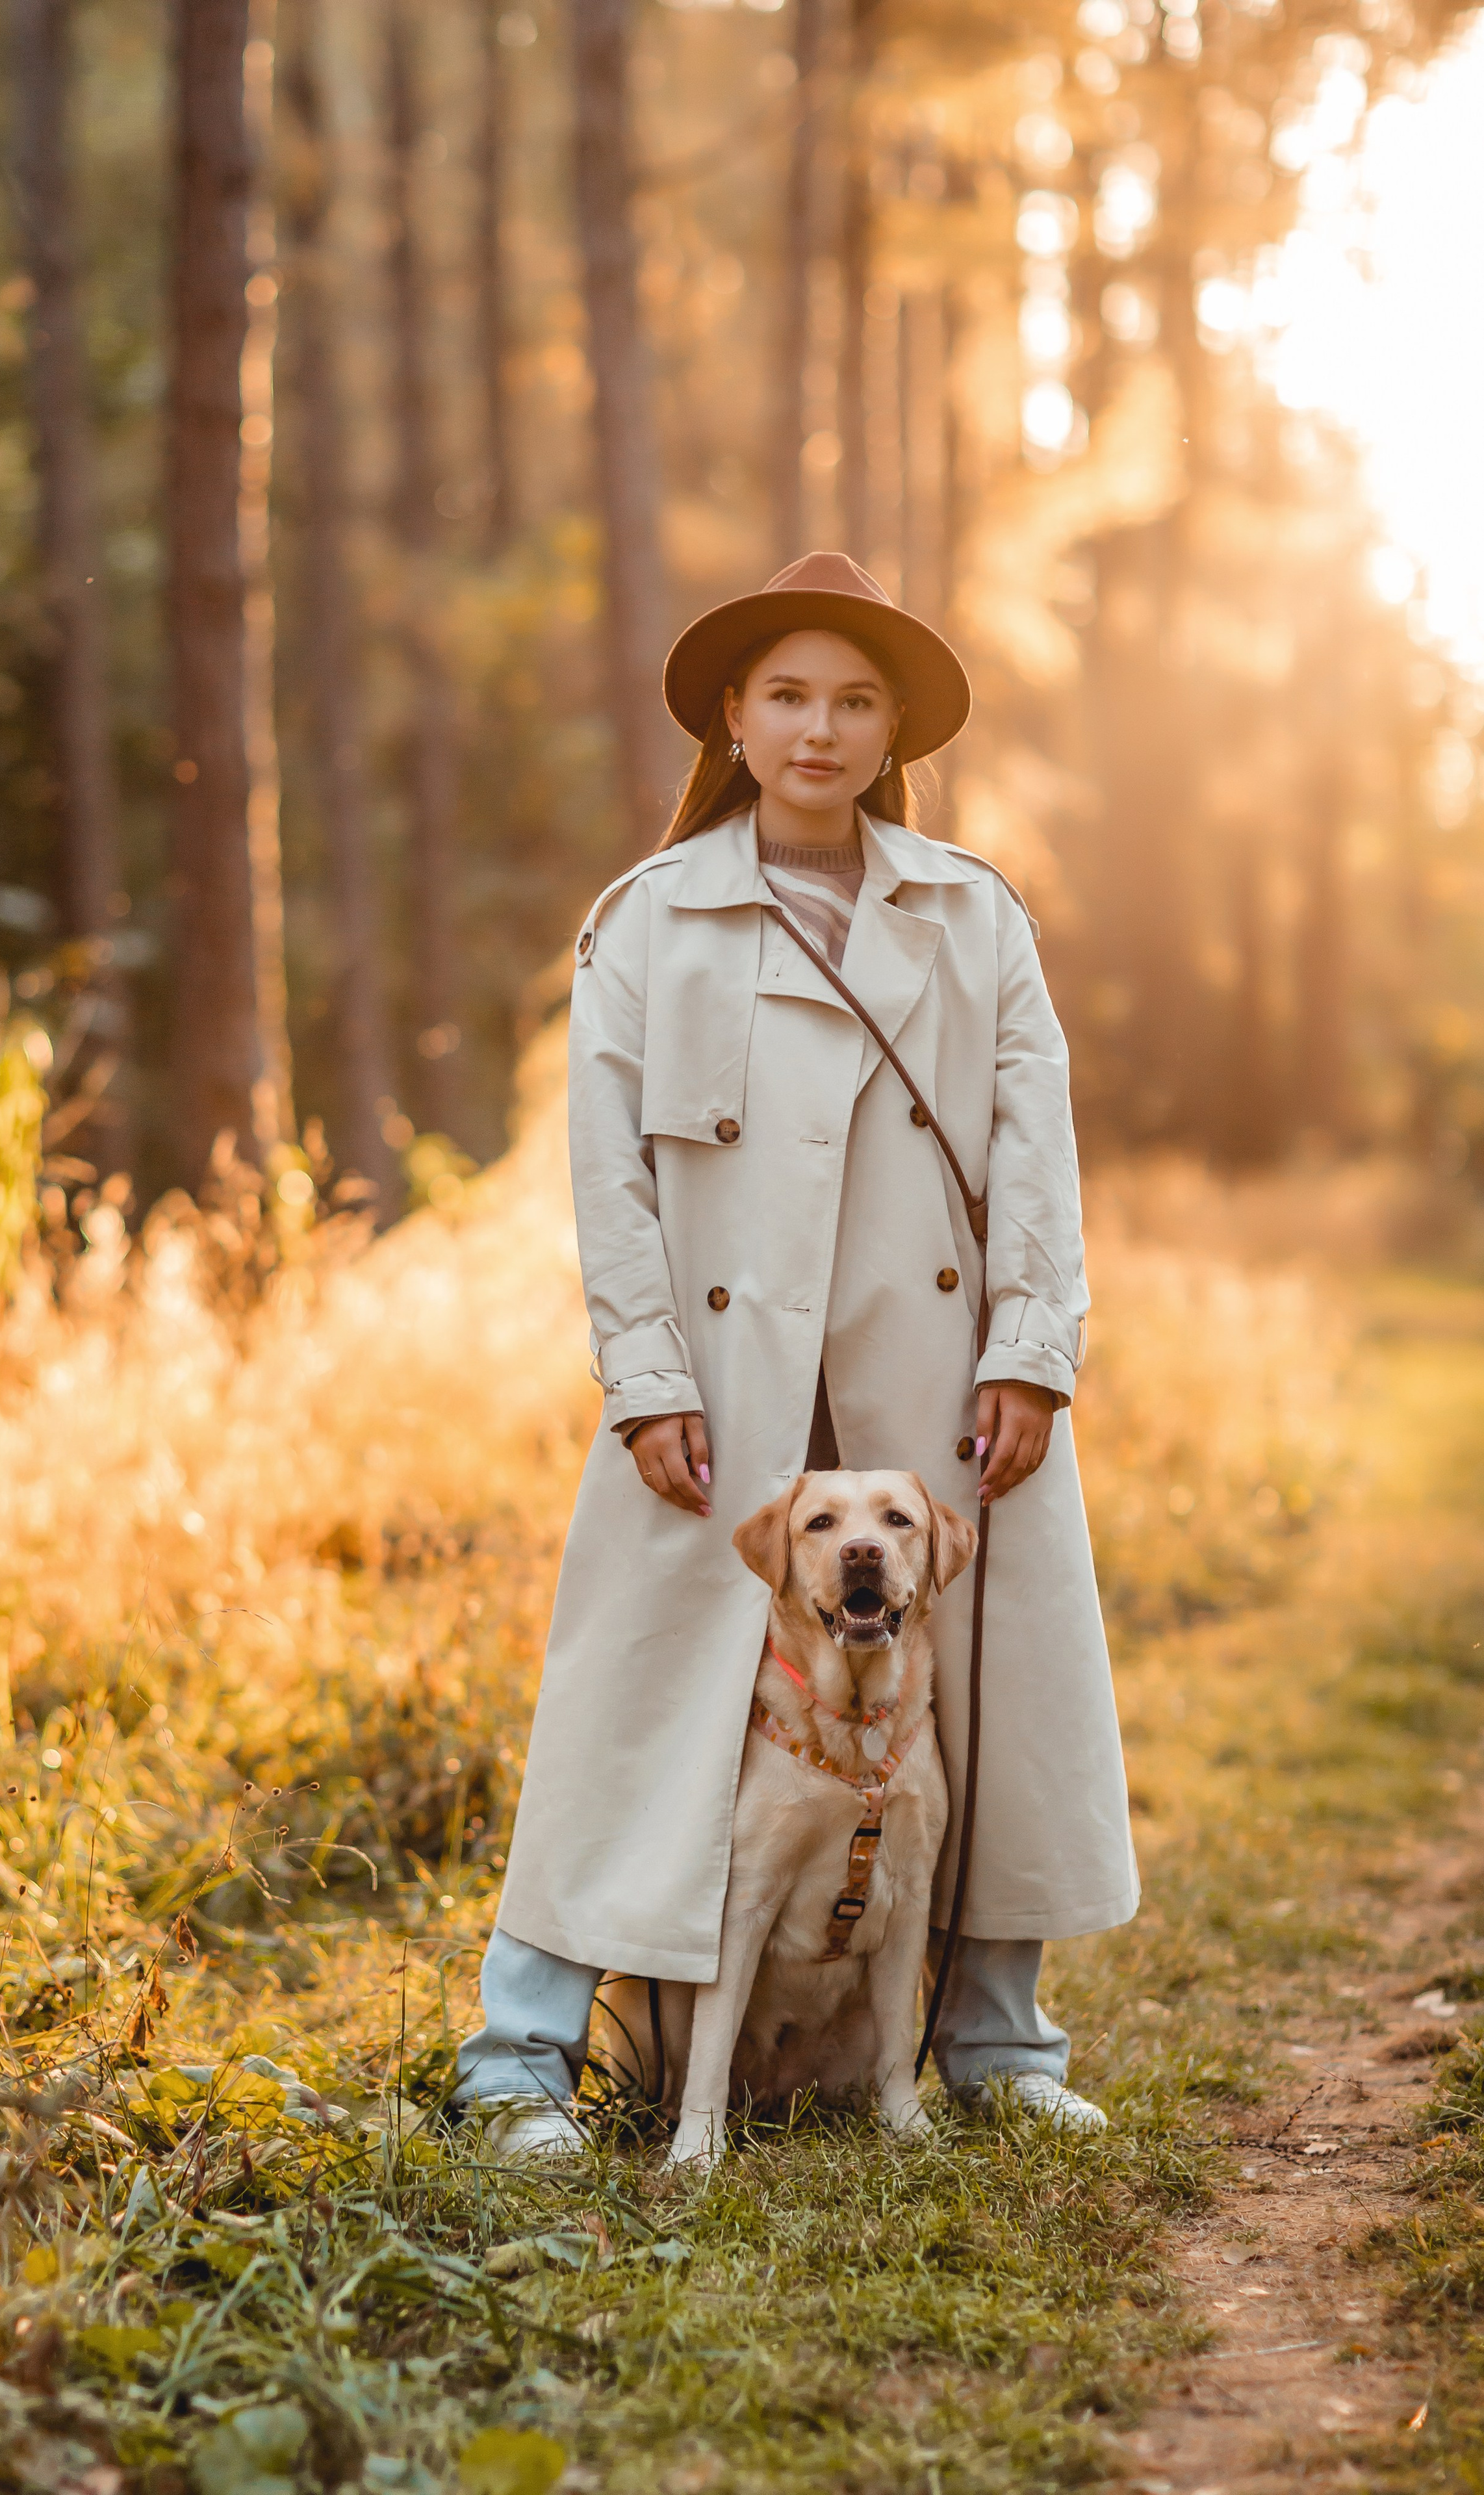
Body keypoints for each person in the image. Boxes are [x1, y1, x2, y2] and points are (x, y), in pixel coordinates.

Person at [452, 552, 1138, 2156]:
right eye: (785, 697)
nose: (816, 728)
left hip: (941, 1370)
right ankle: (519, 2063)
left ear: (892, 726)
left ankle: (999, 2049)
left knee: (982, 1684)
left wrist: (1030, 1349)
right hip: (714, 1382)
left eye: (850, 700)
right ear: (734, 720)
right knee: (634, 1680)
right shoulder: (646, 918)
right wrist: (645, 1378)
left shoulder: (971, 913)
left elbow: (1033, 1141)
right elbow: (605, 1170)